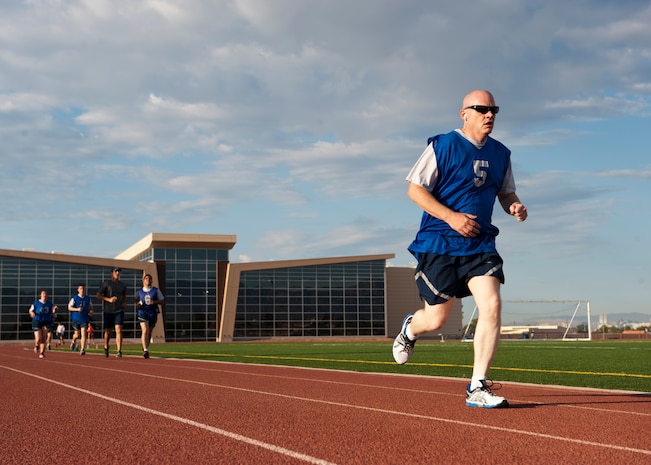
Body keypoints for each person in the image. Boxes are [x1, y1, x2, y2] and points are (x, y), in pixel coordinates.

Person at [392, 89, 528, 408]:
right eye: (481, 109)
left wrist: (515, 206)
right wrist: (451, 217)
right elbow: (415, 190)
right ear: (464, 113)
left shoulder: (501, 154)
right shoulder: (443, 145)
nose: (489, 114)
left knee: (491, 304)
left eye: (494, 109)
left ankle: (477, 387)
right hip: (439, 243)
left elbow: (506, 193)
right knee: (437, 320)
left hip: (480, 244)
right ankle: (411, 329)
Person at [96, 267, 127, 358]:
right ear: (112, 273)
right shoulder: (107, 284)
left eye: (118, 272)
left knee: (119, 330)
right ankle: (106, 347)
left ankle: (119, 350)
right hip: (108, 311)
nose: (117, 273)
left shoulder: (122, 285)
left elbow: (124, 294)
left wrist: (124, 302)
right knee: (108, 331)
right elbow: (98, 295)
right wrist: (108, 299)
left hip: (119, 310)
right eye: (116, 271)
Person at [136, 274, 164, 359]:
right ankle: (145, 350)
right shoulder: (139, 291)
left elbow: (162, 301)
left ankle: (145, 347)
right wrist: (138, 304)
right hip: (142, 312)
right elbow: (136, 300)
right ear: (143, 280)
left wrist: (154, 302)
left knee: (149, 332)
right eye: (146, 279)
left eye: (149, 279)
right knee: (145, 330)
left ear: (151, 281)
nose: (148, 280)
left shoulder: (156, 290)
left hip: (153, 313)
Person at [28, 290, 58, 359]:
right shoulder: (36, 303)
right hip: (37, 321)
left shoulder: (50, 304)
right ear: (40, 295)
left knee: (44, 338)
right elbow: (30, 310)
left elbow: (53, 313)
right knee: (39, 339)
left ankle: (42, 352)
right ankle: (36, 345)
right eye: (43, 294)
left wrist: (54, 311)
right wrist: (32, 313)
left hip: (46, 321)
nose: (44, 295)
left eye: (46, 294)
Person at [68, 284, 94, 355]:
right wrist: (77, 309)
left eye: (83, 289)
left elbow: (91, 308)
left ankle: (82, 349)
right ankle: (73, 341)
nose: (82, 290)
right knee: (77, 334)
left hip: (84, 319)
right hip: (76, 318)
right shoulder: (75, 298)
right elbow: (69, 307)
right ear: (78, 290)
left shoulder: (87, 298)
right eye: (81, 289)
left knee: (84, 334)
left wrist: (91, 311)